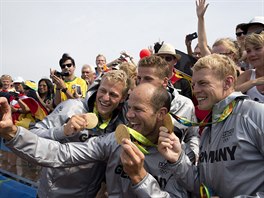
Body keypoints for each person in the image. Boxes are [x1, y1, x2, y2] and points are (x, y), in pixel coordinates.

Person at [0, 83, 188, 197]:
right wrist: (12, 133)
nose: (129, 115)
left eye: (138, 109)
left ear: (161, 113)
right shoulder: (116, 141)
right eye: (129, 108)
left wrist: (140, 177)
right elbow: (61, 154)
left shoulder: (176, 154)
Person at [158, 54, 264, 197]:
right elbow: (203, 186)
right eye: (194, 84)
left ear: (227, 83)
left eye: (203, 83)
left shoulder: (254, 114)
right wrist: (177, 159)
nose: (195, 90)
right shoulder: (209, 127)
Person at [11, 70, 129, 197]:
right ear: (97, 88)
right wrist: (62, 131)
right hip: (51, 194)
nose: (105, 98)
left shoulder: (120, 126)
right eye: (103, 90)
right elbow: (33, 134)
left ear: (122, 98)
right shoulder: (72, 107)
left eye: (113, 94)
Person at [137, 55, 199, 164]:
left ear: (165, 82)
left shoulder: (185, 105)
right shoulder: (131, 103)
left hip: (173, 172)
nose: (141, 83)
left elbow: (193, 136)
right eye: (139, 79)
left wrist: (190, 157)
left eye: (147, 79)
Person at [236, 32, 264, 103]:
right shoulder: (248, 74)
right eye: (248, 51)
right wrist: (254, 82)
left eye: (257, 49)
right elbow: (230, 94)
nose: (252, 54)